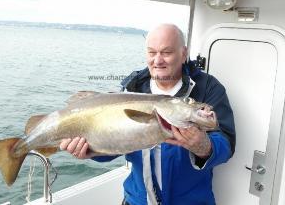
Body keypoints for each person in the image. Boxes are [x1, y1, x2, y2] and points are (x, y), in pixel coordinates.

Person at [60, 24, 236, 205]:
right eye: (152, 53)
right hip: (137, 200)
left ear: (183, 54)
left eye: (166, 52)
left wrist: (204, 146)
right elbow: (117, 142)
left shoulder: (208, 88)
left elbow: (226, 145)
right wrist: (91, 152)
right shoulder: (132, 88)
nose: (158, 60)